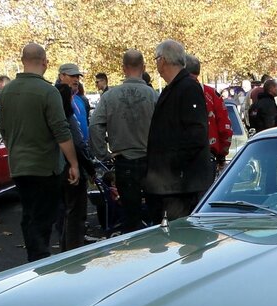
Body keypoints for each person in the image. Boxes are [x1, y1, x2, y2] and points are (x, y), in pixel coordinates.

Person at [0, 43, 79, 262]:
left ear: (23, 61)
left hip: (19, 165)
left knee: (29, 214)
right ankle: (40, 260)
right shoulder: (48, 92)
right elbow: (62, 131)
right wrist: (73, 163)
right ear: (45, 62)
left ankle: (35, 256)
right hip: (45, 166)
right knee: (44, 216)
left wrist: (15, 149)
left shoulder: (6, 93)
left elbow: (3, 129)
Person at [89, 49, 159, 233]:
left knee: (129, 215)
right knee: (155, 213)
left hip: (124, 162)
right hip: (150, 162)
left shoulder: (109, 96)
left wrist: (103, 154)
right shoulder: (154, 96)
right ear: (143, 67)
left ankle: (132, 253)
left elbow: (95, 125)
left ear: (123, 68)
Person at [144, 39, 213, 221]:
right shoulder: (174, 88)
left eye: (156, 59)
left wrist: (171, 165)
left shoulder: (187, 88)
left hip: (181, 183)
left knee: (180, 235)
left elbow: (196, 134)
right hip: (172, 181)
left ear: (163, 60)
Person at [54, 82, 93, 251]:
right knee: (75, 215)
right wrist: (89, 167)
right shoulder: (69, 118)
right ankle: (73, 250)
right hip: (71, 169)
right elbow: (78, 144)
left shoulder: (53, 118)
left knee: (64, 215)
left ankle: (65, 248)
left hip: (57, 169)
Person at [185, 54, 233, 171]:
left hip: (184, 158)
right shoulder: (212, 94)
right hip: (208, 156)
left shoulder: (175, 92)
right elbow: (225, 129)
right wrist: (222, 155)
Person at [58, 63, 89, 141]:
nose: (76, 79)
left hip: (84, 148)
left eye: (77, 76)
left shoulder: (79, 99)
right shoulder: (56, 98)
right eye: (72, 76)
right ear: (61, 76)